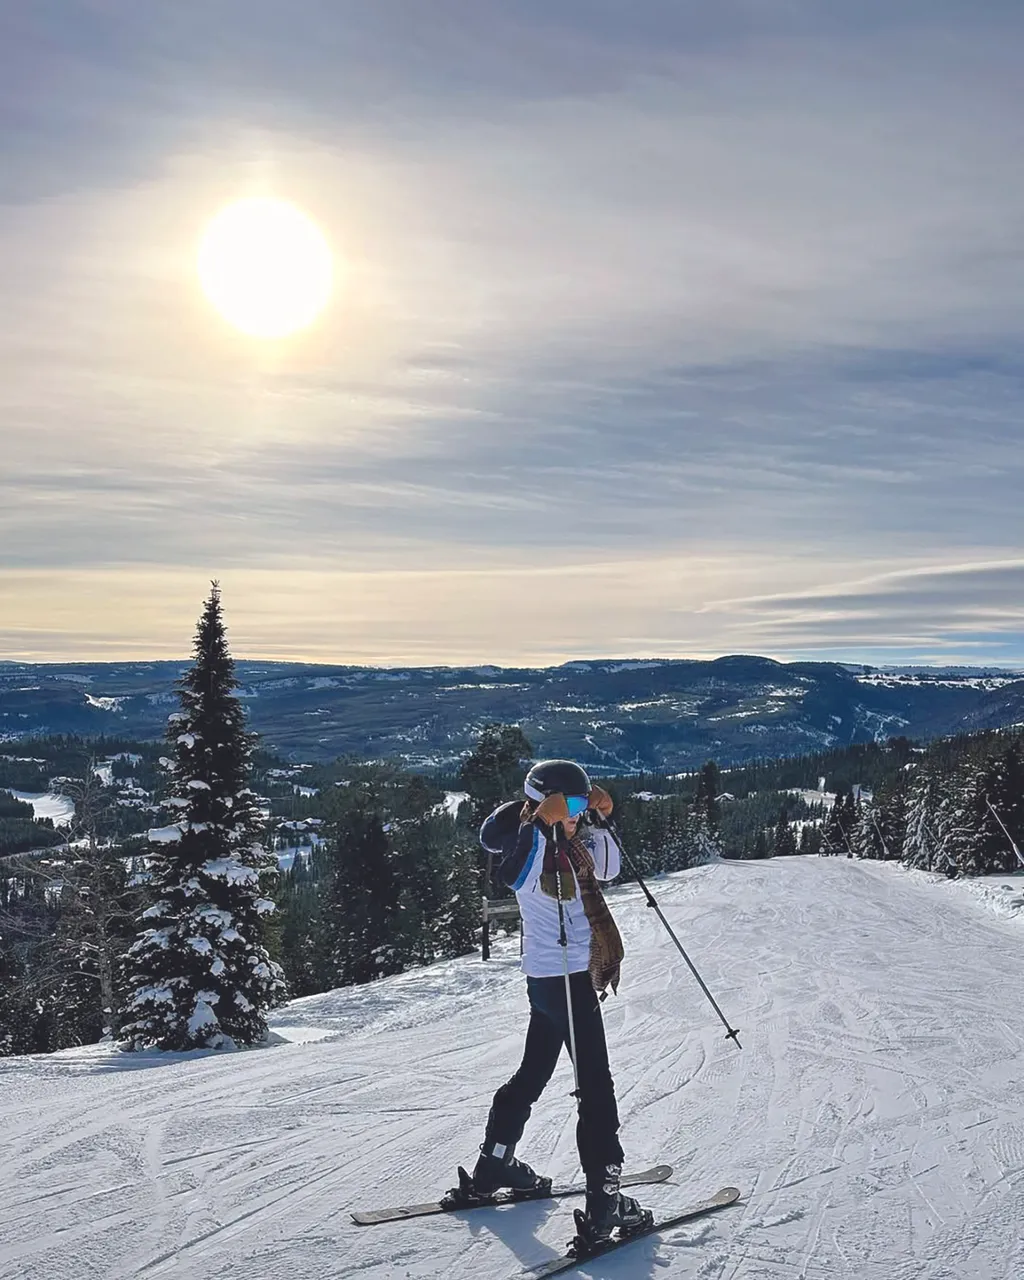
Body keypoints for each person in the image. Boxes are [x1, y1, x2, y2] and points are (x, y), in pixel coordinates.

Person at [466, 759, 651, 1247]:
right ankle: (606, 1200)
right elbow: (516, 870)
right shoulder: (527, 850)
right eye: (569, 806)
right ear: (541, 805)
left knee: (533, 1071)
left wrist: (601, 817)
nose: (576, 815)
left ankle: (495, 1164)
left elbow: (609, 867)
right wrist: (546, 822)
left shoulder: (572, 846)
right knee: (596, 1087)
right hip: (563, 980)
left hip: (551, 984)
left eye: (581, 805)